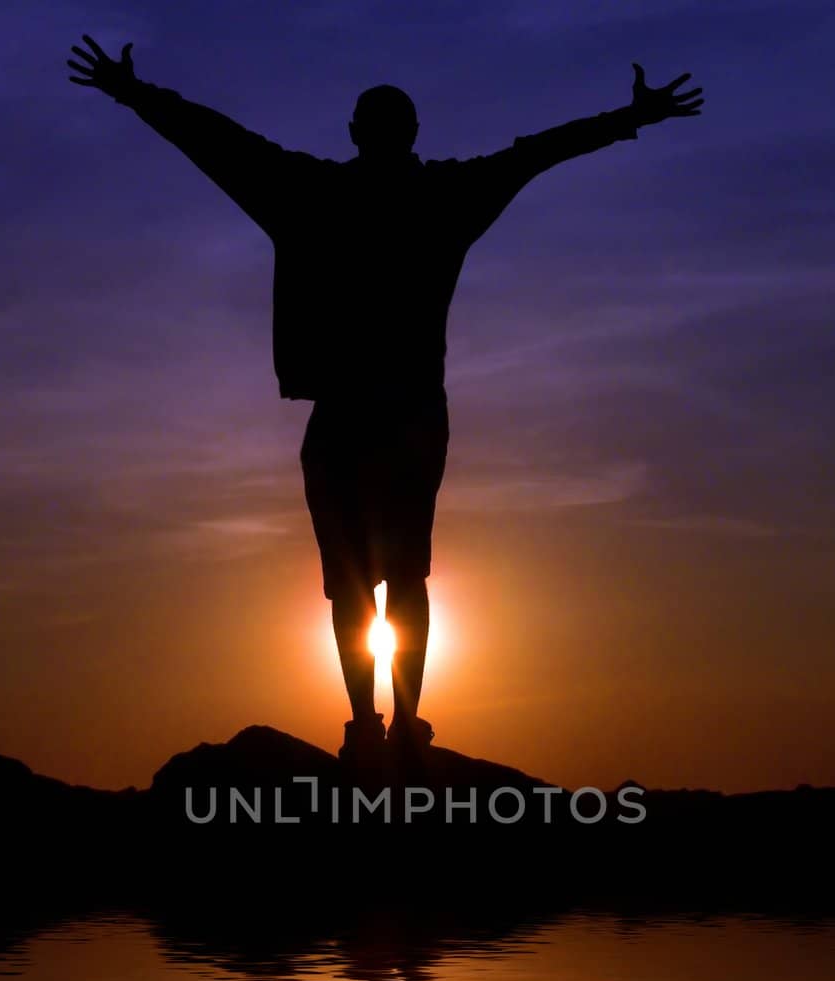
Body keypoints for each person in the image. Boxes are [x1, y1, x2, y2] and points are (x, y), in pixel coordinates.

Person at [67, 38, 703, 763]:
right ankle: (401, 724)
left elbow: (220, 143)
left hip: (345, 413)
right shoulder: (442, 197)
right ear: (412, 134)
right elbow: (535, 153)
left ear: (352, 134)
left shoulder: (312, 194)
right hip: (409, 415)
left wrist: (135, 94)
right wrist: (630, 117)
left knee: (349, 583)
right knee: (403, 572)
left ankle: (367, 724)